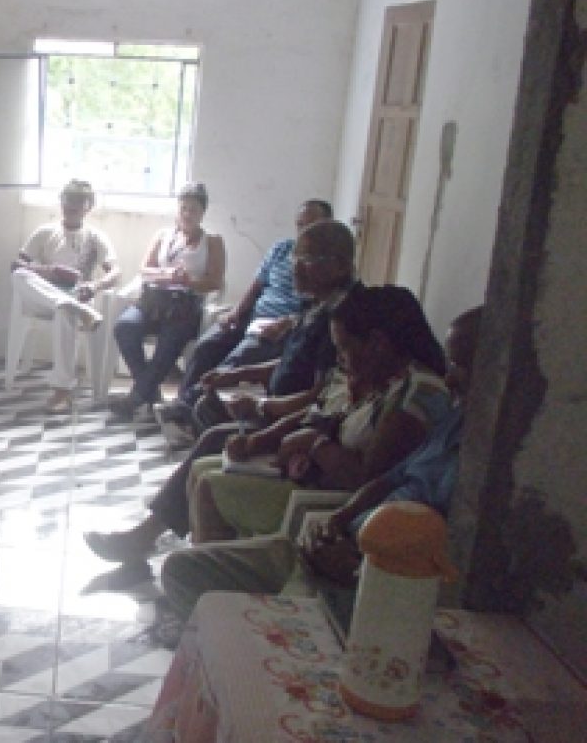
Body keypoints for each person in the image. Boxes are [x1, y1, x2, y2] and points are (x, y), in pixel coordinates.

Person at [158, 305, 482, 617]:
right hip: (339, 534)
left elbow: (368, 477)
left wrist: (356, 565)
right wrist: (339, 520)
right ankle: (212, 624)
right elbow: (392, 477)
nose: (451, 378)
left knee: (209, 481)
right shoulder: (454, 419)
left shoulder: (423, 401)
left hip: (367, 565)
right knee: (180, 567)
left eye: (461, 366)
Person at [84, 220, 359, 562]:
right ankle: (193, 524)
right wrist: (237, 376)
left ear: (342, 265)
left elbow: (321, 395)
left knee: (215, 435)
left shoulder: (345, 320)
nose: (296, 269)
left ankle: (155, 533)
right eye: (294, 260)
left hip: (296, 423)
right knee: (209, 405)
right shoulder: (315, 304)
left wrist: (263, 409)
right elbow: (288, 364)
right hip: (278, 408)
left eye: (309, 260)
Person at [183, 284, 451, 544]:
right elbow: (318, 411)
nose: (340, 358)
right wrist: (264, 440)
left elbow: (367, 478)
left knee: (208, 488)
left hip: (326, 502)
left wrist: (313, 443)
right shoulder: (378, 378)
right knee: (201, 468)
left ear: (377, 344)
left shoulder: (415, 394)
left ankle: (222, 569)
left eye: (345, 347)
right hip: (312, 477)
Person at [155, 199, 331, 443]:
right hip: (253, 317)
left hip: (279, 328)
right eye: (300, 224)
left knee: (241, 356)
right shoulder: (282, 248)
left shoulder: (324, 268)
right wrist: (236, 313)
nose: (303, 231)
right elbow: (257, 286)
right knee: (208, 344)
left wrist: (288, 322)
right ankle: (189, 411)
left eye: (310, 225)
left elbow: (317, 309)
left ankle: (185, 410)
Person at [109, 182, 226, 420]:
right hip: (154, 301)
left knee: (170, 340)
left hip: (184, 305)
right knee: (125, 326)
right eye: (183, 208)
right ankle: (149, 392)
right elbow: (144, 269)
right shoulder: (164, 235)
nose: (187, 214)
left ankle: (136, 397)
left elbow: (215, 281)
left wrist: (188, 281)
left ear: (202, 212)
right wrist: (166, 275)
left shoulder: (212, 241)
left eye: (193, 209)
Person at [11, 179, 122, 412]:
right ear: (61, 202)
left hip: (78, 295)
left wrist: (94, 287)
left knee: (66, 311)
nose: (71, 205)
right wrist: (51, 271)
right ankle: (74, 308)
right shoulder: (45, 232)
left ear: (88, 206)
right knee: (20, 276)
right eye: (67, 200)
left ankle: (62, 391)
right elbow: (17, 265)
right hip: (44, 295)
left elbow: (116, 272)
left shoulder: (95, 237)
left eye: (78, 201)